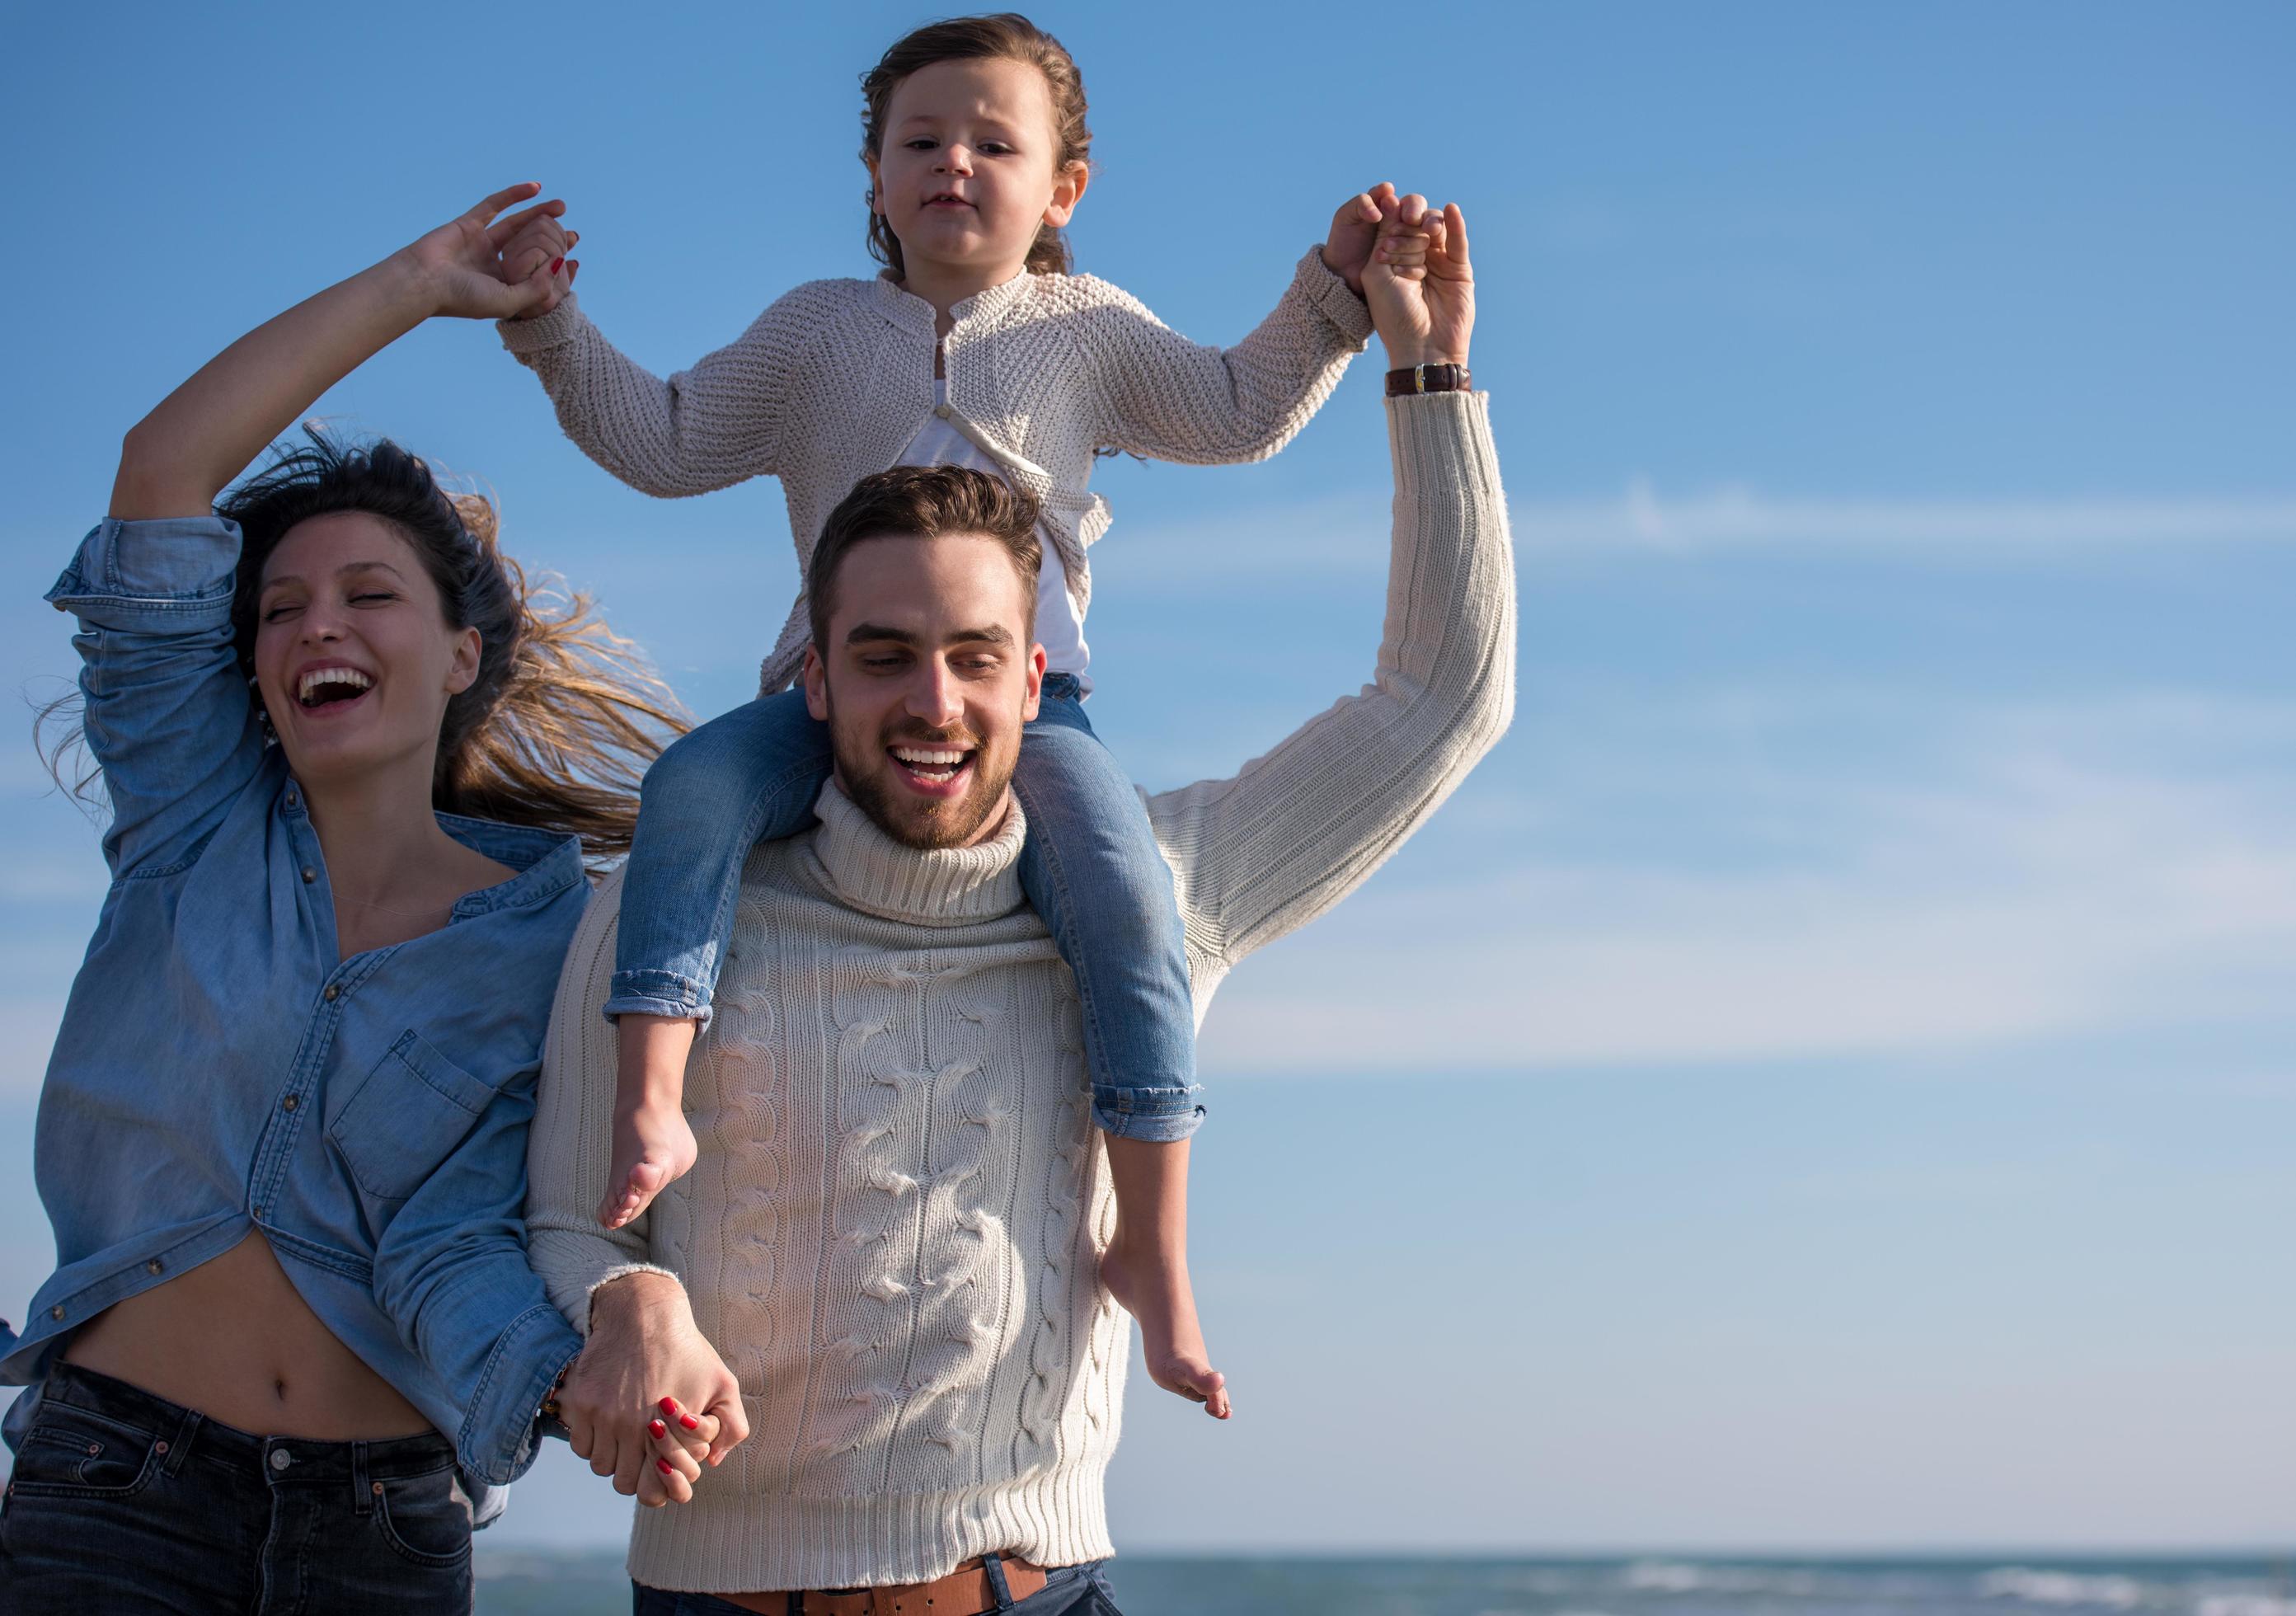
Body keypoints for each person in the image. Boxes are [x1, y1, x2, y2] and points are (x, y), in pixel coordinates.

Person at [529, 199, 1503, 1612]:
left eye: (975, 657)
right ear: (812, 676)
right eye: (883, 656)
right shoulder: (665, 910)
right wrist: (634, 1305)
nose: (933, 703)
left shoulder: (1158, 892)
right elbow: (569, 1224)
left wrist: (1428, 374)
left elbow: (1439, 702)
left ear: (1035, 680)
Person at [490, 12, 1405, 1418]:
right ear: (870, 175)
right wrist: (550, 325)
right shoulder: (814, 333)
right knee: (685, 792)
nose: (954, 165)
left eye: (995, 143)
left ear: (1063, 189)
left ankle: (1152, 1244)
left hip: (1031, 718)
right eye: (920, 141)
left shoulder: (1085, 331)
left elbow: (1235, 407)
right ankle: (650, 1104)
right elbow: (665, 439)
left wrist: (1332, 296)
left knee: (1124, 895)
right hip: (819, 693)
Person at [0, 185, 684, 1614]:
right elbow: (161, 473)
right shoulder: (192, 826)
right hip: (111, 1495)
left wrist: (615, 1350)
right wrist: (417, 284)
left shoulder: (566, 940)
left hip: (382, 1528)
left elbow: (479, 1237)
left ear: (458, 654)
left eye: (369, 596)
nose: (317, 624)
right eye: (280, 608)